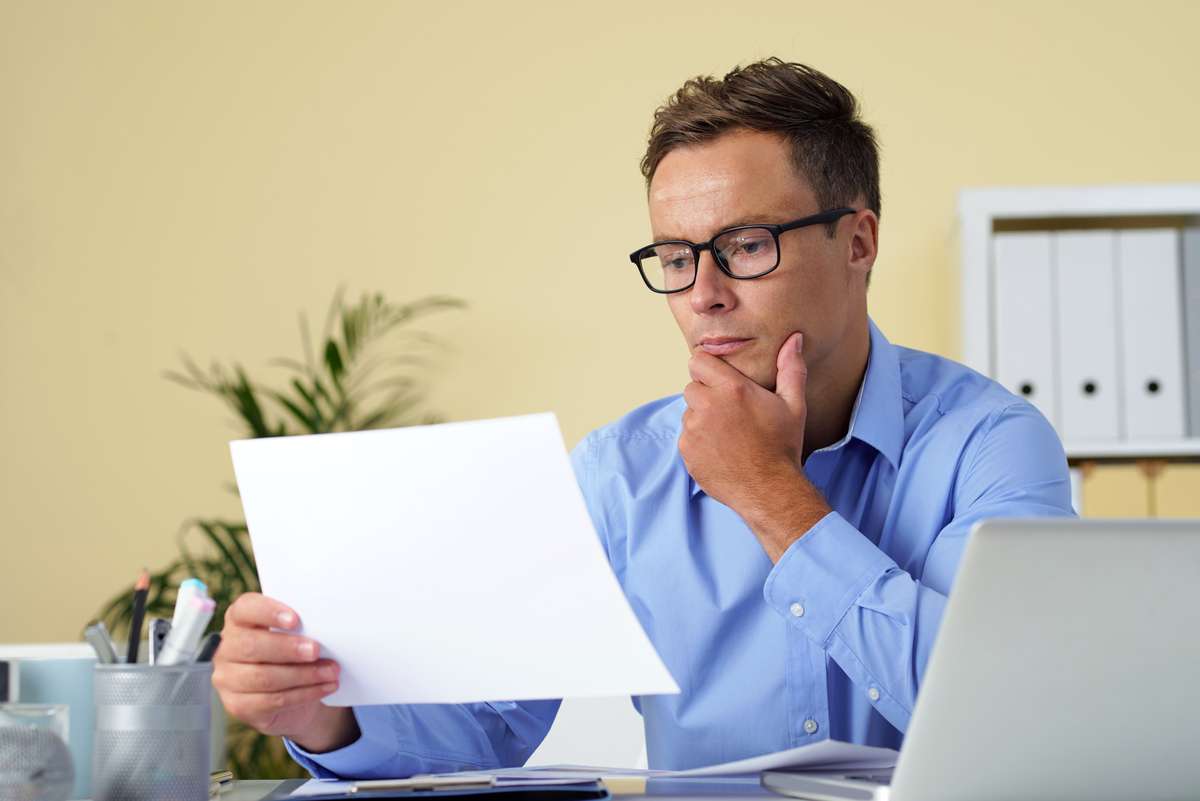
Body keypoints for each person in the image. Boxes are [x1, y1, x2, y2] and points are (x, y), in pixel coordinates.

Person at [212, 58, 1074, 777]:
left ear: (858, 241)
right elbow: (485, 722)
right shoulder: (619, 473)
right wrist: (322, 714)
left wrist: (772, 495)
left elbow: (1008, 721)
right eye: (673, 256)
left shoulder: (990, 445)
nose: (703, 294)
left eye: (744, 245)